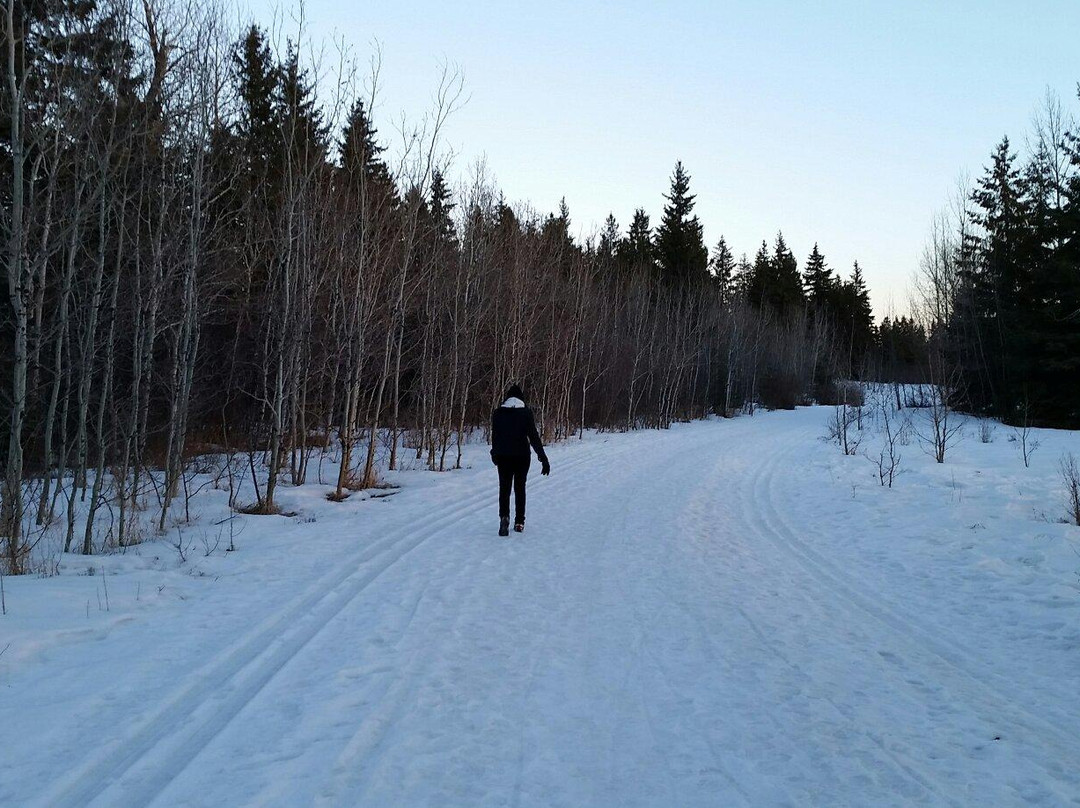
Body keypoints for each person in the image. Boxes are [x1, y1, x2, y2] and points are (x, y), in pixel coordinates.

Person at [490, 384, 550, 536]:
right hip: (522, 456)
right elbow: (534, 437)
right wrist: (543, 458)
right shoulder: (526, 413)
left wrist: (494, 454)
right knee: (519, 488)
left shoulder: (497, 413)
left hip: (503, 456)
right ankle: (519, 522)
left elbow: (495, 437)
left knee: (504, 489)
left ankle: (504, 517)